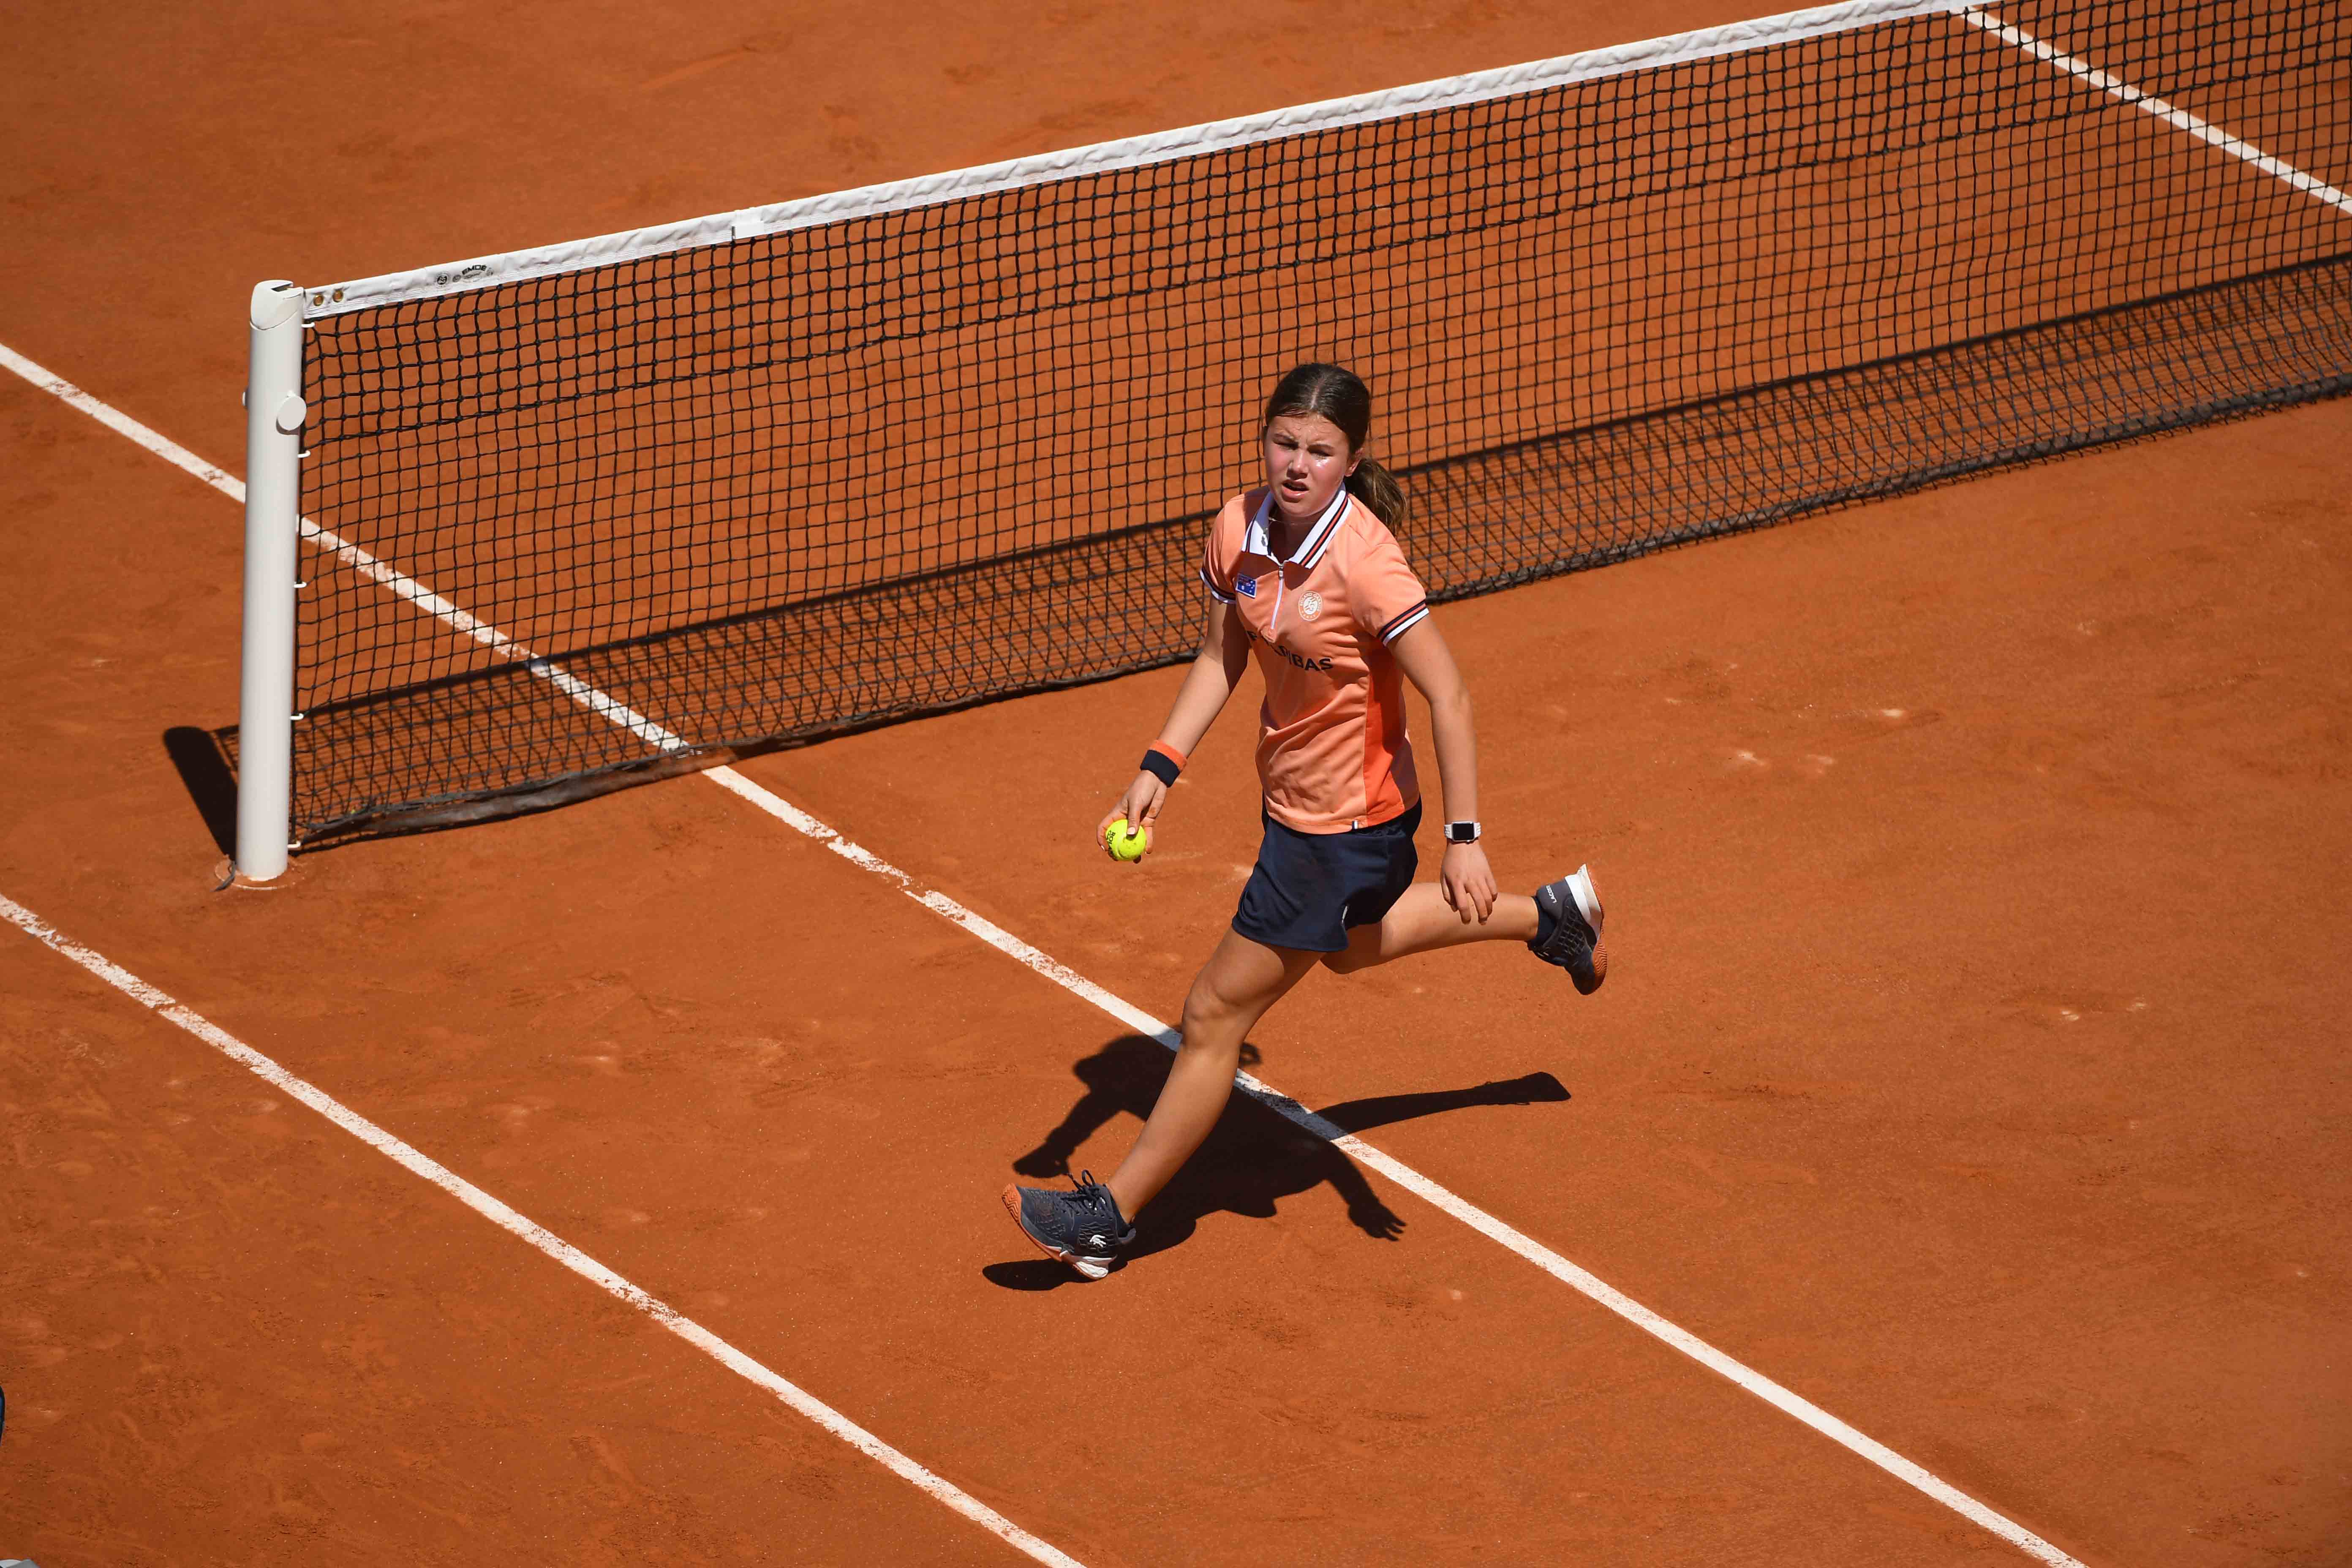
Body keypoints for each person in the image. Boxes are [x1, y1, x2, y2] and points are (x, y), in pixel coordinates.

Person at [1001, 362, 1605, 1280]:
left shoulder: (1367, 564)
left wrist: (1466, 840)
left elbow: (1451, 696)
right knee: (1354, 951)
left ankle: (1108, 1218)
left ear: (1351, 459)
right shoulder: (1237, 527)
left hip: (1348, 825)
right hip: (1293, 806)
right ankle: (1553, 918)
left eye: (1320, 451)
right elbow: (1221, 654)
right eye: (1284, 442)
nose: (1296, 464)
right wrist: (1161, 762)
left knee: (1213, 1012)